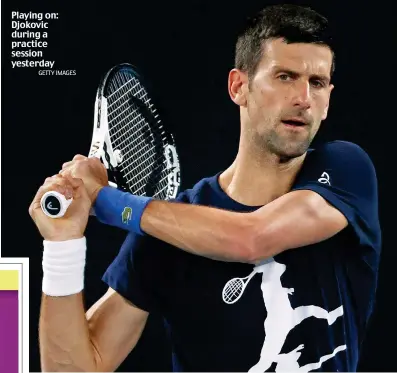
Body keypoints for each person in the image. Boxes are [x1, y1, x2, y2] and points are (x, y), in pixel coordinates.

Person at [29, 4, 382, 372]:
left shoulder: (346, 171)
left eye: (317, 83)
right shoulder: (167, 230)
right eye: (284, 76)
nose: (303, 99)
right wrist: (62, 246)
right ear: (238, 86)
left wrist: (106, 201)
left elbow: (252, 238)